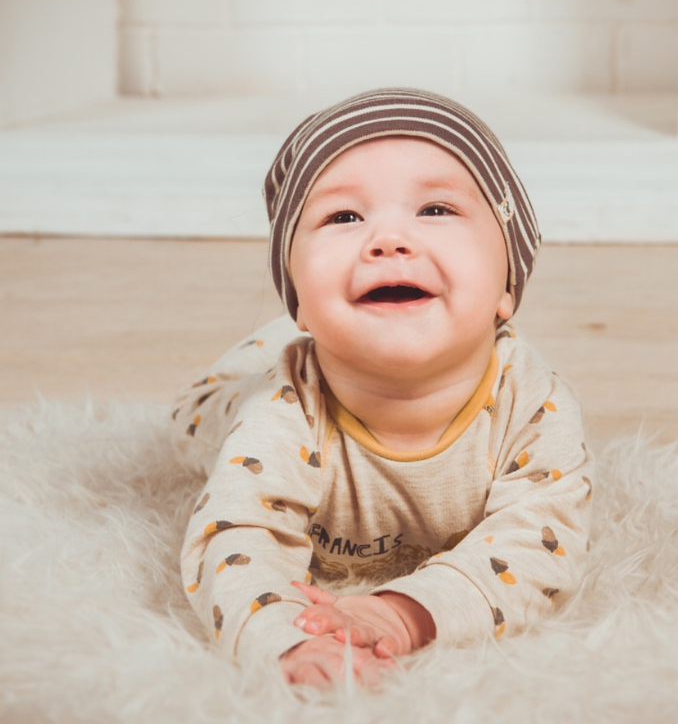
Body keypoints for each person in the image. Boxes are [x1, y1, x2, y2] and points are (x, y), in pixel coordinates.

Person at [171, 88, 594, 688]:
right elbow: (238, 538)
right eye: (344, 217)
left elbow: (540, 544)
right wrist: (285, 640)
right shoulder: (281, 409)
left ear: (508, 284)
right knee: (210, 414)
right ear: (299, 300)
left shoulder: (535, 402)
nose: (389, 240)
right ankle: (269, 344)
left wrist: (404, 611)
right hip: (229, 402)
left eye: (436, 210)